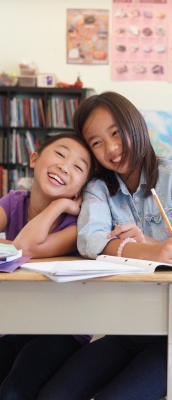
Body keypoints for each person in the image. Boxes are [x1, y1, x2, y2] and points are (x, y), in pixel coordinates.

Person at [38, 91, 172, 400]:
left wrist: (151, 243)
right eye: (96, 142)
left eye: (116, 133)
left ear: (134, 125)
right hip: (124, 328)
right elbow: (89, 240)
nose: (111, 149)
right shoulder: (98, 187)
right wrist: (150, 250)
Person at [0, 132, 94, 399]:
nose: (65, 166)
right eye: (60, 154)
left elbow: (22, 247)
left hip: (62, 330)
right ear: (34, 158)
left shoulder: (78, 225)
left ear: (81, 188)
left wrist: (59, 206)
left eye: (78, 167)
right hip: (17, 323)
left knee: (13, 391)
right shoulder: (15, 201)